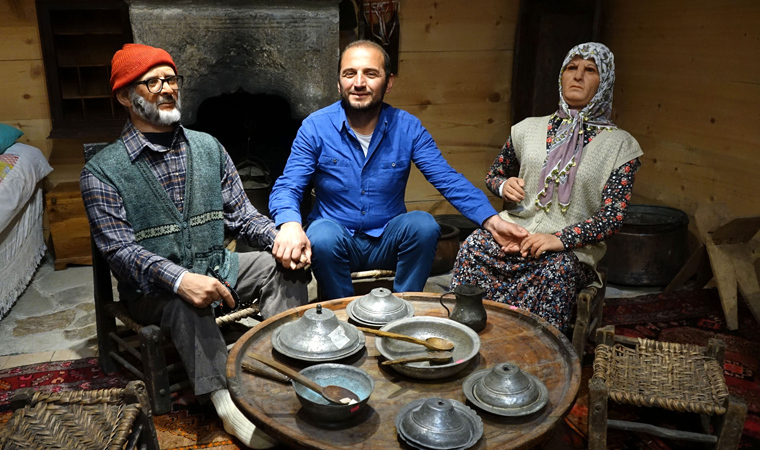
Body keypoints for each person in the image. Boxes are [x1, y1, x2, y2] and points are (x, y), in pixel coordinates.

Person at [81, 43, 308, 449]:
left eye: (171, 79)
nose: (167, 88)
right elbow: (119, 252)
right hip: (152, 291)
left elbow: (242, 216)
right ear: (124, 96)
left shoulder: (208, 148)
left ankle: (281, 369)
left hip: (219, 264)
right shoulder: (102, 172)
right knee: (187, 301)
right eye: (153, 82)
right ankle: (227, 403)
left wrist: (281, 238)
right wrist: (181, 278)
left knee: (284, 265)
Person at [268, 40, 528, 300]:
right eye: (350, 73)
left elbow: (448, 180)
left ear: (388, 82)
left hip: (387, 242)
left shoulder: (408, 127)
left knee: (424, 225)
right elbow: (288, 186)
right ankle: (340, 314)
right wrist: (290, 225)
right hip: (335, 243)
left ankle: (405, 310)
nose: (359, 83)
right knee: (321, 233)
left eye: (371, 73)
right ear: (339, 83)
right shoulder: (315, 127)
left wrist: (493, 222)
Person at [451, 42, 643, 333]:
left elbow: (612, 217)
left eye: (590, 70)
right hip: (515, 233)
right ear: (561, 77)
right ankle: (471, 330)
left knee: (557, 270)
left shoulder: (621, 146)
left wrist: (559, 239)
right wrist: (504, 186)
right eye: (571, 68)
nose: (577, 76)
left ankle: (536, 348)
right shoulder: (527, 129)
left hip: (568, 251)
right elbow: (495, 174)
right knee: (474, 245)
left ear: (604, 83)